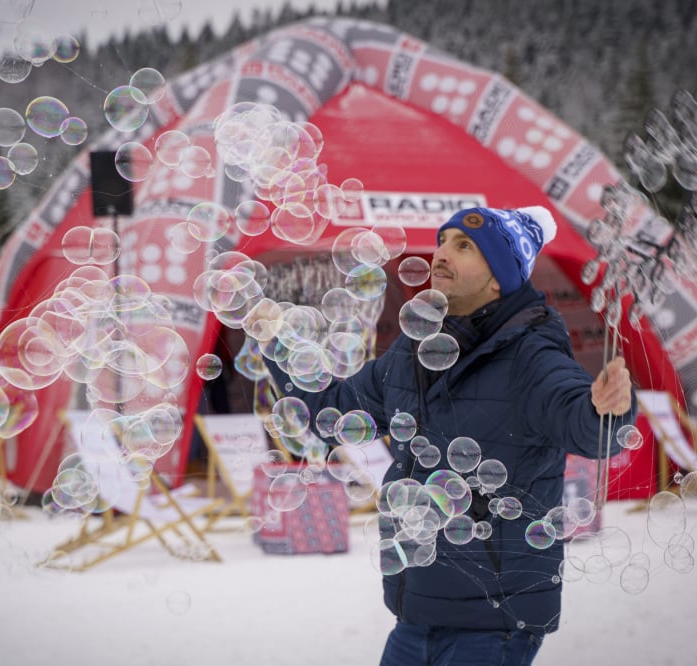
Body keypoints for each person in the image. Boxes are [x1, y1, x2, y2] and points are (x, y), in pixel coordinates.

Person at [262, 205, 636, 666]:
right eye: (442, 241)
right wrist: (278, 341)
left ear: (500, 276)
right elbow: (331, 413)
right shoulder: (411, 351)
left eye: (464, 246)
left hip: (493, 624)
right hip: (416, 610)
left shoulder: (531, 355)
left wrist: (607, 410)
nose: (441, 254)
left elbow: (583, 420)